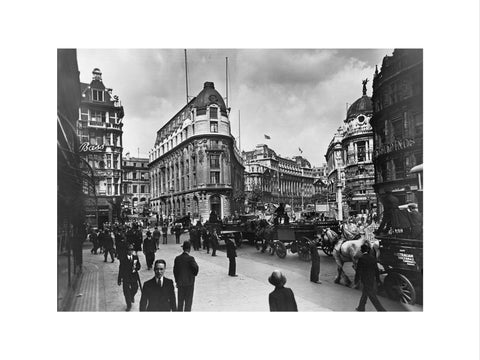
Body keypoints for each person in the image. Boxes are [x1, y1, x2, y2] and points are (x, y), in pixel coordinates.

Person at [355, 244, 386, 312]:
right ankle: (361, 307)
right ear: (368, 250)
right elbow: (376, 270)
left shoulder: (361, 258)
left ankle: (381, 310)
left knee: (371, 295)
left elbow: (358, 270)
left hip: (365, 279)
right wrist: (378, 280)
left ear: (361, 250)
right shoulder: (373, 258)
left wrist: (356, 280)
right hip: (371, 278)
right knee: (365, 293)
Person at [173, 241, 199, 311]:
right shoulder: (191, 259)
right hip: (189, 284)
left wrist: (177, 281)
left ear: (183, 248)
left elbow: (175, 271)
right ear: (189, 249)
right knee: (188, 303)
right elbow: (196, 269)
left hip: (180, 283)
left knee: (180, 302)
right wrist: (193, 275)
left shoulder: (177, 258)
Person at [118, 244, 141, 311]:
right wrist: (119, 279)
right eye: (129, 250)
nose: (130, 251)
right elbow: (121, 269)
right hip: (126, 277)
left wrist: (136, 268)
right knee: (126, 291)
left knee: (135, 288)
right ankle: (129, 305)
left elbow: (139, 265)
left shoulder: (135, 257)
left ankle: (131, 296)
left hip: (134, 277)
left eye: (132, 250)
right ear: (126, 250)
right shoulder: (123, 258)